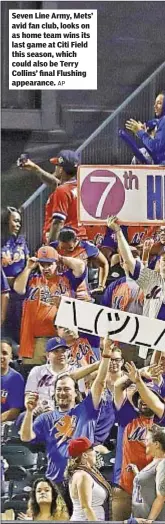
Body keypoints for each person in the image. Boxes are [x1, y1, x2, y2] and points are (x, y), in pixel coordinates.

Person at [19, 338, 115, 512]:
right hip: (56, 483)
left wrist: (106, 356)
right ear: (54, 394)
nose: (62, 393)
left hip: (85, 478)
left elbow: (100, 383)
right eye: (59, 389)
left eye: (67, 389)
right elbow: (25, 437)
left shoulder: (86, 410)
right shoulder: (45, 418)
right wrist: (30, 412)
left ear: (75, 392)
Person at [13, 245, 87, 365]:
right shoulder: (32, 280)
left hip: (62, 340)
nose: (45, 268)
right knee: (36, 377)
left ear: (56, 264)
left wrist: (60, 257)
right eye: (42, 264)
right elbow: (18, 289)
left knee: (61, 376)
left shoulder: (67, 279)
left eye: (49, 264)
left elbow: (80, 267)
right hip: (35, 341)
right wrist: (28, 268)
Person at [107, 215, 165, 320]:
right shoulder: (151, 279)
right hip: (149, 333)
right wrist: (118, 231)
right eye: (163, 260)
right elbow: (128, 260)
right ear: (159, 262)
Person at [24, 336, 100, 414]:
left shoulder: (76, 371)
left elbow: (79, 399)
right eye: (56, 351)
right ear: (47, 355)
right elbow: (28, 396)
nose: (61, 354)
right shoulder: (37, 371)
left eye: (63, 351)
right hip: (40, 412)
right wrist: (33, 407)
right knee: (23, 417)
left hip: (65, 413)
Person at [50, 226, 109, 295]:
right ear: (58, 241)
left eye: (70, 248)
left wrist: (101, 286)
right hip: (57, 290)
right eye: (62, 248)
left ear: (76, 240)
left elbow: (104, 263)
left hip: (81, 292)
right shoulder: (51, 247)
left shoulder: (87, 247)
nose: (65, 251)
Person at [65, 437, 112, 521]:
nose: (95, 453)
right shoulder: (83, 476)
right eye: (93, 450)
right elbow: (86, 506)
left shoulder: (85, 473)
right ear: (85, 455)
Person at [1, 206, 29, 343]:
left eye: (19, 222)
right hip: (1, 295)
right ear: (5, 222)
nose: (18, 225)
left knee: (18, 334)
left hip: (19, 296)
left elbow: (28, 265)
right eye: (15, 221)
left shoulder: (22, 243)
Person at [46, 150, 87, 242]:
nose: (55, 168)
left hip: (65, 243)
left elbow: (58, 222)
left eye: (57, 165)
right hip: (79, 240)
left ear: (61, 169)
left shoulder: (62, 190)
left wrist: (51, 246)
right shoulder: (80, 187)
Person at [130, 425, 165, 522]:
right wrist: (136, 472)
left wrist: (149, 521)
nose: (144, 443)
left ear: (156, 444)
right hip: (139, 518)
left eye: (147, 440)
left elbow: (161, 497)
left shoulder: (163, 464)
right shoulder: (154, 462)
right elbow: (147, 484)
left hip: (150, 521)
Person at [125, 91, 165, 165]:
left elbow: (155, 148)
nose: (155, 106)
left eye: (159, 103)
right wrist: (143, 131)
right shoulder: (158, 121)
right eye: (155, 103)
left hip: (162, 166)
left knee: (140, 155)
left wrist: (140, 132)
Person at [1, 339, 24, 423]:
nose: (1, 356)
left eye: (4, 353)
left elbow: (14, 412)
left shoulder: (15, 378)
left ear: (11, 357)